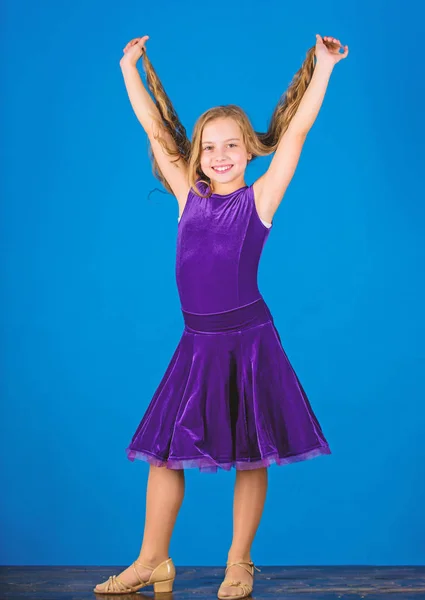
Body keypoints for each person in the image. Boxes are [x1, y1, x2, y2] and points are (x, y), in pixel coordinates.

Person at [94, 33, 348, 597]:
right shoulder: (188, 197)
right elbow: (155, 130)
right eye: (209, 147)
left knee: (250, 452)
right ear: (196, 155)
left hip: (248, 342)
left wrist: (323, 67)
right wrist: (128, 68)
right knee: (163, 456)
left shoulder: (258, 200)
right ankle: (152, 559)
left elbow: (298, 132)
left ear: (250, 150)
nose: (220, 155)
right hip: (196, 344)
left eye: (232, 145)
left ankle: (239, 561)